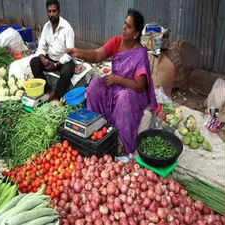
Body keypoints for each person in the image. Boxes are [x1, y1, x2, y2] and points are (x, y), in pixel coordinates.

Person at [66, 9, 158, 158]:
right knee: (95, 85)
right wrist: (79, 52)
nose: (123, 28)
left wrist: (118, 79)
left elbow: (140, 85)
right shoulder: (116, 42)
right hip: (115, 86)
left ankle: (121, 142)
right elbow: (97, 55)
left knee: (123, 98)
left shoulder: (140, 53)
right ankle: (96, 126)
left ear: (135, 33)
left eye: (128, 26)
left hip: (132, 91)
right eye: (124, 23)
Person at [30, 0, 75, 101]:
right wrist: (43, 59)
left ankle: (56, 94)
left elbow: (70, 53)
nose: (51, 14)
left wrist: (56, 64)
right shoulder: (47, 26)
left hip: (63, 61)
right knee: (34, 62)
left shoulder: (67, 28)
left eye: (54, 11)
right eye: (49, 11)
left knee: (67, 71)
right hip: (50, 59)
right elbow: (41, 47)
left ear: (59, 11)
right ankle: (48, 89)